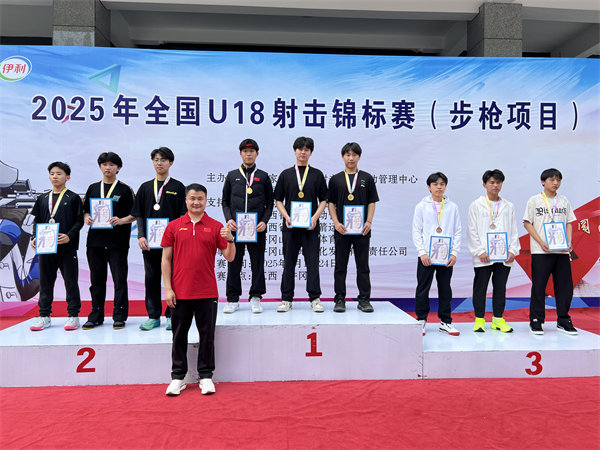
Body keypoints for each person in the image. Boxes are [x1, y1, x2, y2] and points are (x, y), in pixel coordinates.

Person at [162, 184, 235, 396]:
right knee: (179, 336)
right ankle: (178, 377)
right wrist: (168, 289)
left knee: (207, 336)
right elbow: (166, 259)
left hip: (207, 291)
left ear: (206, 201)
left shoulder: (216, 226)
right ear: (186, 200)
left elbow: (230, 256)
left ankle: (206, 376)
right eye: (192, 198)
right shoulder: (174, 226)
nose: (196, 202)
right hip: (180, 292)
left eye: (200, 198)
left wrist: (230, 239)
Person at [132, 147, 186, 331]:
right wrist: (141, 235)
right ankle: (153, 316)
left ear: (171, 163)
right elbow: (139, 214)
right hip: (150, 242)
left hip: (171, 243)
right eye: (156, 160)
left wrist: (177, 238)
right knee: (151, 278)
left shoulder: (178, 187)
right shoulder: (145, 187)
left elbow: (182, 216)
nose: (159, 163)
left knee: (173, 279)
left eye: (163, 160)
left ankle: (172, 315)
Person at [82, 152, 136, 330]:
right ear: (100, 167)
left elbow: (135, 214)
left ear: (118, 168)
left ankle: (119, 316)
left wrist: (122, 220)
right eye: (104, 164)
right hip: (95, 242)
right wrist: (87, 217)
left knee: (120, 280)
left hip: (117, 242)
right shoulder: (92, 188)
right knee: (96, 281)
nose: (108, 168)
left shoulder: (125, 189)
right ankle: (96, 315)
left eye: (112, 164)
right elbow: (85, 210)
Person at [273, 137, 328, 313]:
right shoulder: (286, 174)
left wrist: (315, 218)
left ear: (311, 152)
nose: (303, 152)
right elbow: (278, 200)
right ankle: (286, 299)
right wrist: (286, 217)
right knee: (289, 263)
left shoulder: (317, 174)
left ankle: (315, 299)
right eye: (300, 149)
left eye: (306, 149)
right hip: (290, 227)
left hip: (311, 227)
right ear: (294, 150)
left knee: (312, 263)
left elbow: (324, 200)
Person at [29, 162, 83, 331]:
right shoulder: (43, 198)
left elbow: (79, 221)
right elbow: (37, 220)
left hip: (67, 248)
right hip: (46, 247)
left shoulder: (73, 198)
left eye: (59, 173)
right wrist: (34, 237)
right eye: (52, 173)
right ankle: (44, 316)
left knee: (71, 282)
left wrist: (69, 236)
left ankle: (73, 316)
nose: (55, 176)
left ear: (67, 177)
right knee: (45, 282)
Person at [523, 168, 578, 335]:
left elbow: (569, 222)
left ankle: (563, 319)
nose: (555, 183)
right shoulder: (534, 200)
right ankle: (536, 319)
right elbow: (527, 223)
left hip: (561, 251)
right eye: (552, 180)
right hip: (541, 251)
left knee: (565, 286)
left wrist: (569, 241)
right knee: (539, 286)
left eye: (558, 180)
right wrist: (540, 242)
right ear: (543, 182)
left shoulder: (564, 201)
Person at [221, 139, 274, 314]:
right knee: (234, 262)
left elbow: (270, 203)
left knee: (257, 263)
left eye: (251, 151)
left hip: (256, 229)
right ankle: (232, 299)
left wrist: (264, 221)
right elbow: (225, 201)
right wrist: (229, 219)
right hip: (236, 229)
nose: (248, 154)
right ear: (240, 154)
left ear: (257, 154)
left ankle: (256, 296)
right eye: (245, 151)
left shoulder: (263, 176)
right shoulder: (232, 176)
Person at [327, 142, 379, 313]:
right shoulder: (335, 179)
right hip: (342, 230)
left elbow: (372, 202)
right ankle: (339, 299)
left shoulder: (367, 178)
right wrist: (336, 223)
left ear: (359, 157)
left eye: (354, 155)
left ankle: (364, 299)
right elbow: (331, 203)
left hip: (362, 230)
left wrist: (369, 222)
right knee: (340, 266)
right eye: (348, 155)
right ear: (343, 157)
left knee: (363, 266)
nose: (351, 158)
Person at [467, 169, 520, 333]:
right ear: (484, 185)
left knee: (500, 287)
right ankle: (479, 319)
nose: (495, 185)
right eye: (491, 182)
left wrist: (513, 250)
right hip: (484, 256)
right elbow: (472, 230)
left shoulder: (508, 206)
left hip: (503, 255)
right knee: (480, 287)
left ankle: (498, 319)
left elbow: (513, 230)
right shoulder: (476, 205)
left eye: (498, 182)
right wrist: (479, 251)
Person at [412, 172, 461, 336]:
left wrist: (454, 253)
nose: (439, 187)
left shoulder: (452, 207)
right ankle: (421, 320)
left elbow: (457, 231)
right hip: (427, 256)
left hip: (445, 256)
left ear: (445, 186)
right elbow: (416, 231)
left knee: (445, 288)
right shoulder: (421, 206)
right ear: (429, 187)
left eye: (442, 184)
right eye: (435, 184)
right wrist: (422, 253)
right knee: (423, 288)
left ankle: (446, 321)